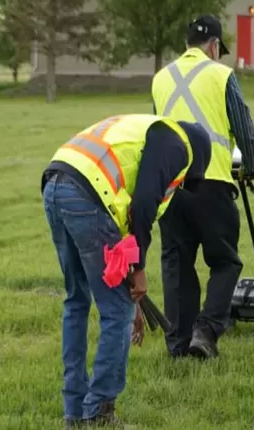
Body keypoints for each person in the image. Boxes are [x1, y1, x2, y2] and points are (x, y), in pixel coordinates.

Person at [41, 114, 211, 427]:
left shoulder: (146, 132)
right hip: (86, 196)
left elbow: (123, 214)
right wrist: (139, 269)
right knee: (114, 312)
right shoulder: (178, 145)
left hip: (55, 185)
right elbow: (146, 201)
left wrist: (131, 296)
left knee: (77, 301)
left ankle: (74, 412)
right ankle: (99, 414)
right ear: (195, 157)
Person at [151, 14, 254, 359]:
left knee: (177, 265)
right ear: (214, 46)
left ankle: (177, 342)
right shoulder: (221, 75)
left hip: (169, 186)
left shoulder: (161, 78)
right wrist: (253, 166)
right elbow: (243, 127)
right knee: (225, 260)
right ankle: (207, 330)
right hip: (211, 181)